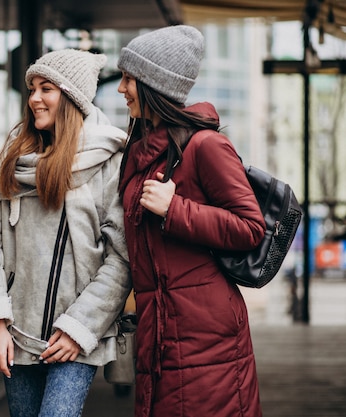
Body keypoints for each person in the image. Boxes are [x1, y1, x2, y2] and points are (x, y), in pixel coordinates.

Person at [0, 49, 132, 417]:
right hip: (18, 332)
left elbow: (120, 256)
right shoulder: (13, 159)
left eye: (46, 88)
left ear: (72, 97)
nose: (33, 99)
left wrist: (79, 327)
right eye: (32, 88)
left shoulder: (111, 159)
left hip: (76, 335)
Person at [116, 25, 265, 416]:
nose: (120, 89)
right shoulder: (140, 152)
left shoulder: (206, 146)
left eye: (128, 78)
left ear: (153, 83)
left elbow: (251, 227)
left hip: (207, 339)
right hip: (159, 332)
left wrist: (176, 209)